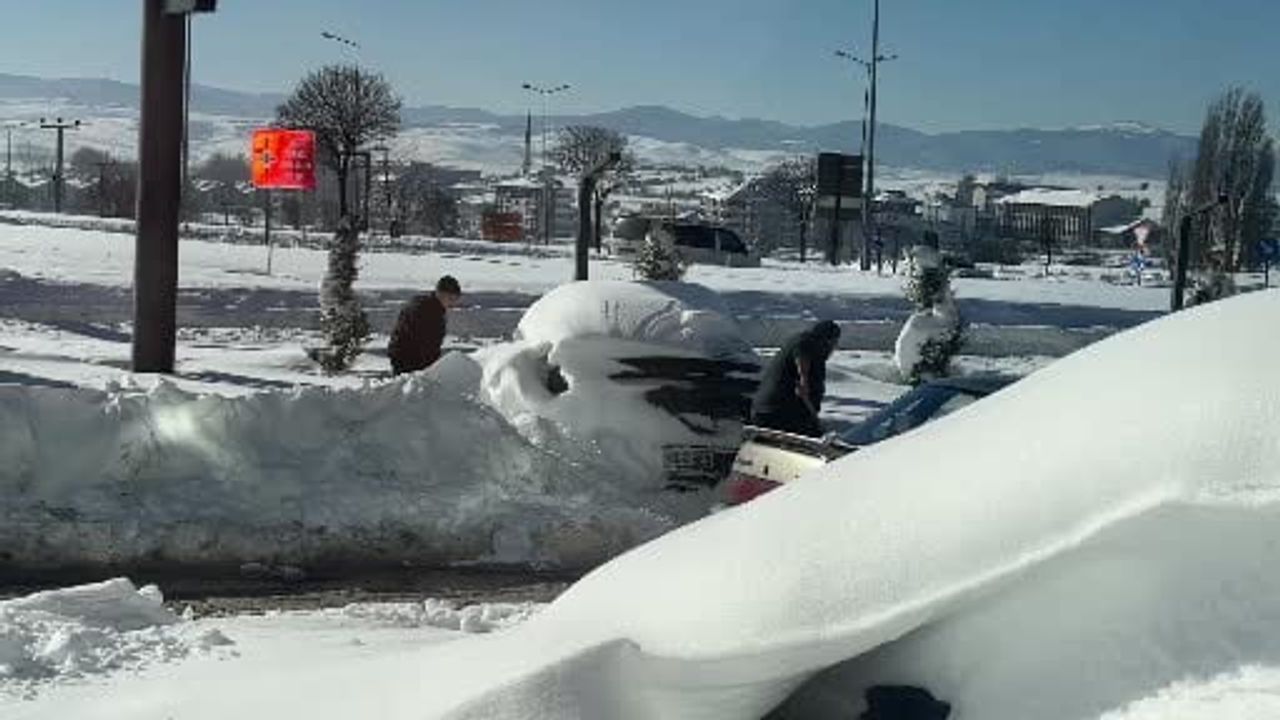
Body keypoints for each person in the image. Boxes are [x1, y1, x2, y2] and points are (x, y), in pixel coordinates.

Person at [750, 320, 841, 437]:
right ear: (828, 340)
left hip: (766, 411)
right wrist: (804, 380)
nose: (833, 348)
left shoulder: (802, 343)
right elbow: (802, 361)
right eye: (834, 343)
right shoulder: (809, 344)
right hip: (780, 414)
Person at [388, 275, 463, 375]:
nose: (452, 304)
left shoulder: (422, 303)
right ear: (441, 293)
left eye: (455, 299)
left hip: (400, 358)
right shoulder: (430, 311)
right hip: (411, 363)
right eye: (451, 298)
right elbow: (427, 345)